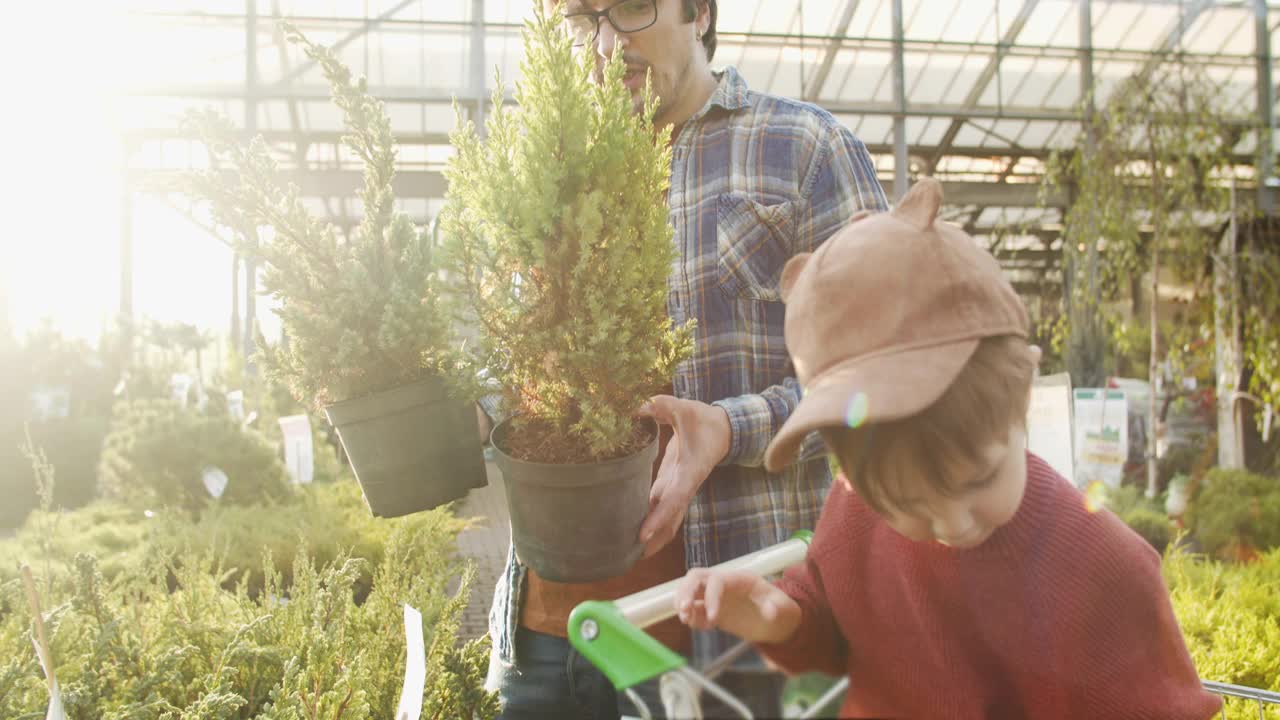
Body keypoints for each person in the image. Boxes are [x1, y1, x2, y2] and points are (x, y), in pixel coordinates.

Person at [672, 178, 1224, 719]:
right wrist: (781, 617)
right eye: (905, 506)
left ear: (1022, 399)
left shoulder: (1105, 570)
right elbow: (833, 622)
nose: (953, 525)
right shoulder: (854, 512)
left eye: (978, 480)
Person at [483, 0, 888, 717]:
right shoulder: (542, 180)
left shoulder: (802, 150)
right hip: (544, 643)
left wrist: (732, 429)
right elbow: (513, 380)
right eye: (583, 20)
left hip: (724, 649)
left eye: (633, 9)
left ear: (699, 11)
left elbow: (885, 379)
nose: (608, 44)